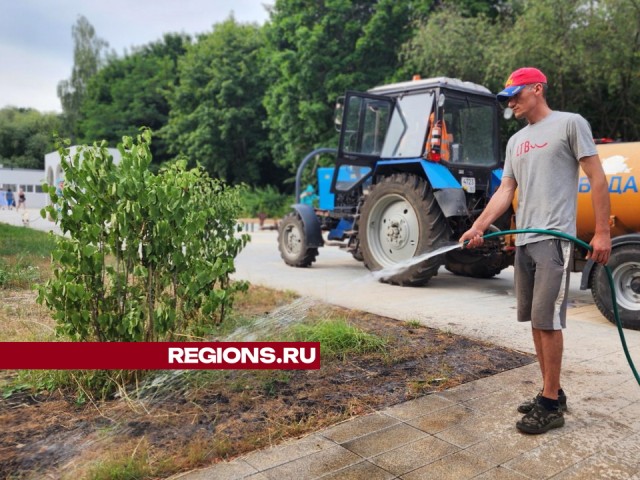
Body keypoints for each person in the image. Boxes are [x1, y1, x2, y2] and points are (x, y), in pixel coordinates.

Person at [460, 67, 611, 434]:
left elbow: (596, 177)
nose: (510, 102)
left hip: (555, 238)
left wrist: (603, 232)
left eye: (515, 94)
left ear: (537, 89)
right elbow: (505, 191)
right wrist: (479, 226)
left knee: (548, 320)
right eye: (506, 97)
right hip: (525, 241)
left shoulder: (569, 124)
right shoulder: (516, 142)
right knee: (533, 318)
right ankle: (551, 391)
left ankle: (549, 406)